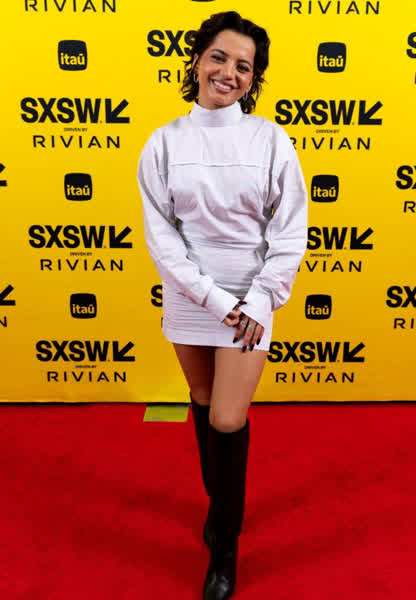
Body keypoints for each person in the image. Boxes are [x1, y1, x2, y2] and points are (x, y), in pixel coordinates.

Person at [137, 10, 308, 599]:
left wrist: (257, 299)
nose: (229, 72)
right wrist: (211, 298)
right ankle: (219, 509)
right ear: (196, 60)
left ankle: (225, 551)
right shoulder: (163, 142)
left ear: (253, 78)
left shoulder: (269, 139)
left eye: (244, 65)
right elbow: (162, 238)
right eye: (219, 57)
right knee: (205, 402)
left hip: (250, 300)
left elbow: (290, 229)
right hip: (191, 298)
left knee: (227, 419)